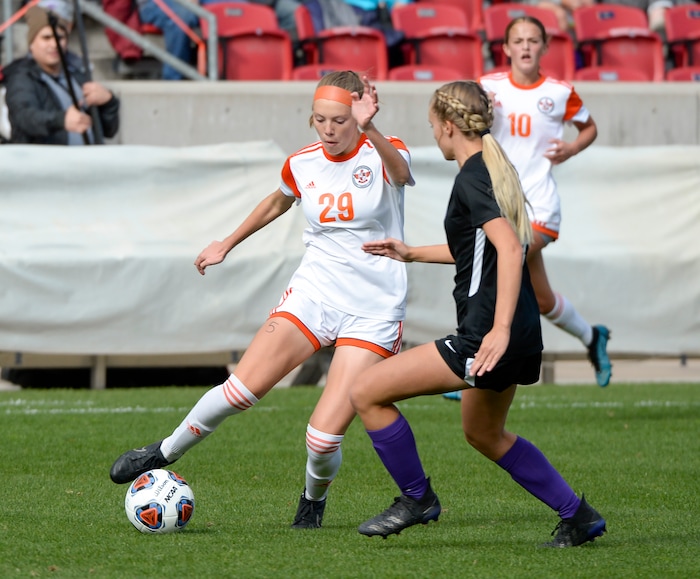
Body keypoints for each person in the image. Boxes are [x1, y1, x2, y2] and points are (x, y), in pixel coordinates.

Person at [109, 70, 415, 530]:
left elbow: (403, 175)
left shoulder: (383, 149)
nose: (328, 130)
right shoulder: (303, 162)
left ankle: (312, 499)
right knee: (239, 392)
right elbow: (279, 200)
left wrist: (369, 128)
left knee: (321, 438)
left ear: (357, 113)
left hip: (372, 309)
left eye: (338, 120)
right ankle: (163, 451)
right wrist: (226, 243)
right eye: (319, 120)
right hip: (314, 293)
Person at [349, 80, 607, 548]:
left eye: (432, 126)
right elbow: (479, 248)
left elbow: (510, 248)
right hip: (518, 330)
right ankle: (579, 515)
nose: (433, 135)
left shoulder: (472, 175)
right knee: (483, 432)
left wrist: (498, 331)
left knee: (365, 391)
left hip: (489, 332)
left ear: (449, 127)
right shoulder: (491, 164)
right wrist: (410, 254)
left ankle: (417, 499)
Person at [467, 15, 612, 397]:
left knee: (500, 264)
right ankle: (592, 336)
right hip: (500, 204)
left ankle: (473, 363)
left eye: (534, 40)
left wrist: (572, 147)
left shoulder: (560, 92)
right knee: (543, 297)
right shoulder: (488, 86)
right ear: (506, 48)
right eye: (519, 40)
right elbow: (470, 123)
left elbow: (590, 127)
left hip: (539, 206)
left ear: (545, 47)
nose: (526, 46)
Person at [3, 6, 119, 145]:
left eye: (59, 37)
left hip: (88, 162)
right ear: (32, 44)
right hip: (45, 163)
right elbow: (24, 118)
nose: (54, 44)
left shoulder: (78, 75)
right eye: (46, 38)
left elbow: (109, 130)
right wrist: (61, 120)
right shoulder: (21, 77)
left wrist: (109, 103)